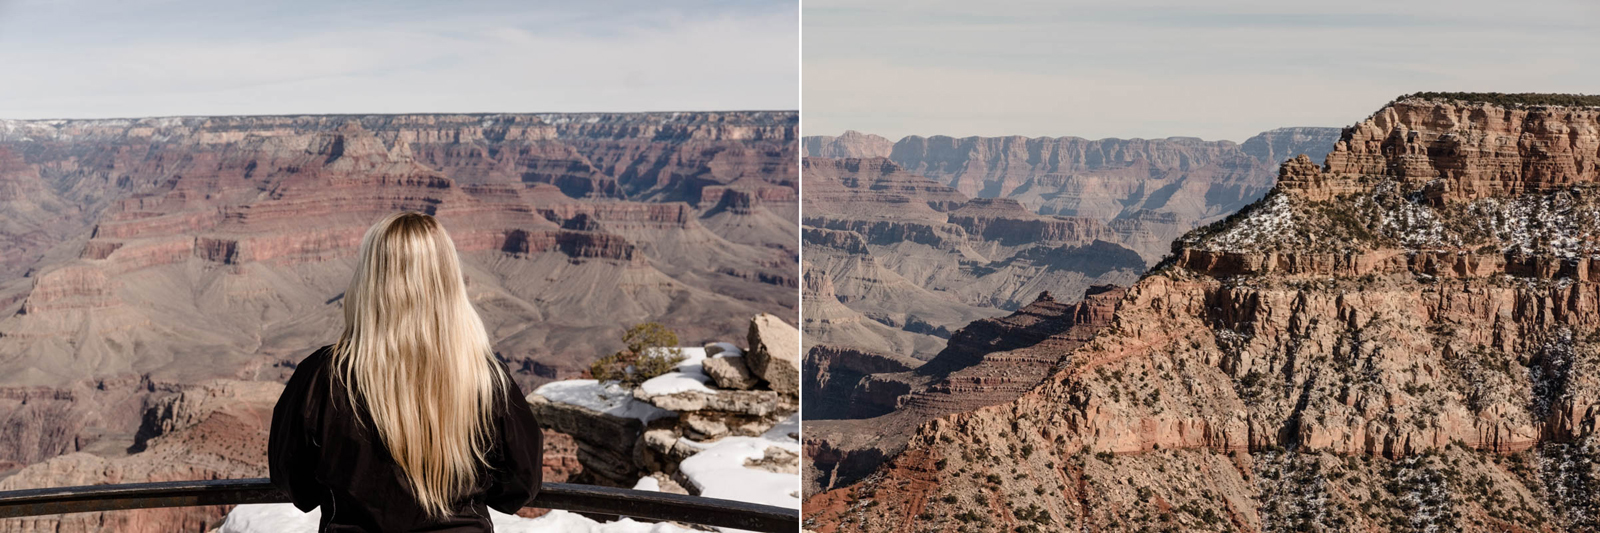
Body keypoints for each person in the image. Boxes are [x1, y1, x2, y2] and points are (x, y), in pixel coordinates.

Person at [269, 212, 544, 532]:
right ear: (447, 280)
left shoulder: (321, 377)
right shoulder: (485, 378)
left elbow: (295, 484)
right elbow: (520, 484)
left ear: (368, 279)